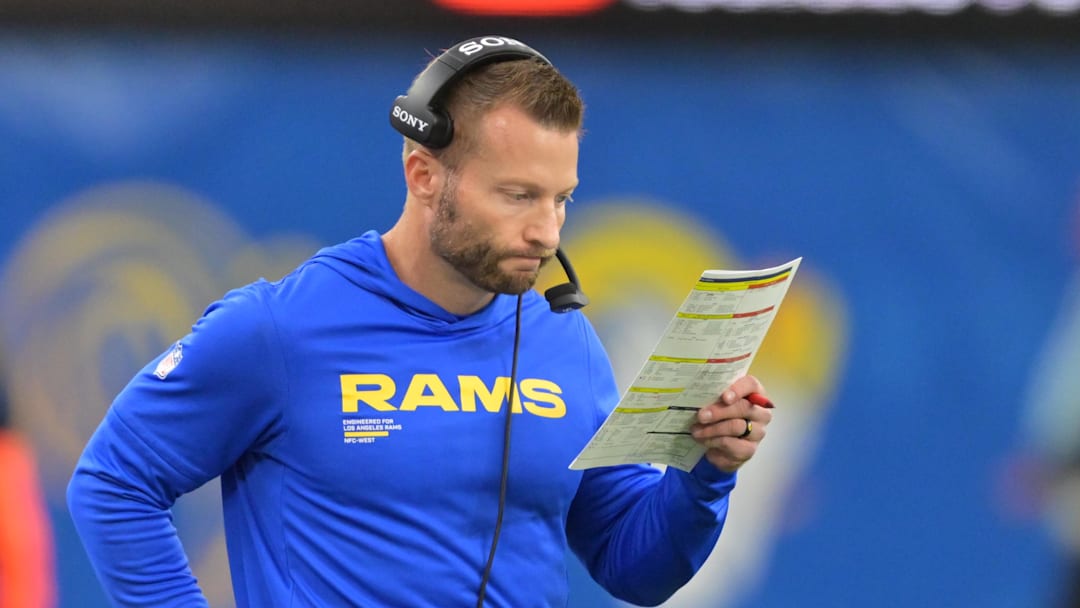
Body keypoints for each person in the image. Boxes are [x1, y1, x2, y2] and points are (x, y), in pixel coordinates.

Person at [67, 35, 773, 607]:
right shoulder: (279, 331)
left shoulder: (564, 339)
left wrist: (704, 473)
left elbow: (633, 567)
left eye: (562, 199)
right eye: (519, 196)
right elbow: (112, 483)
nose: (547, 232)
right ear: (424, 173)